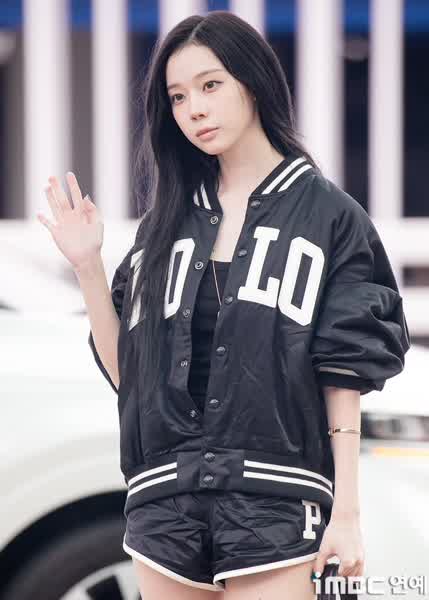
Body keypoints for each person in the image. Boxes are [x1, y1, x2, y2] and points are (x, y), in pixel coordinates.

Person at [37, 10, 410, 600]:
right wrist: (88, 266)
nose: (194, 109)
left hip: (276, 497)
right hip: (166, 501)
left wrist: (347, 511)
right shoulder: (166, 224)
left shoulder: (328, 216)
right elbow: (129, 377)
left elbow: (345, 368)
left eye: (210, 85)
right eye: (178, 97)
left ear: (253, 83)